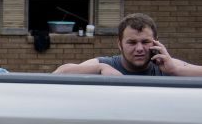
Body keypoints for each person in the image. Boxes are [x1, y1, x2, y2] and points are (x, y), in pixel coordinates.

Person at [53, 13, 202, 76]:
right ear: (120, 44)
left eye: (145, 42)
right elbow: (59, 73)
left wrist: (176, 71)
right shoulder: (106, 64)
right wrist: (100, 68)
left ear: (156, 42)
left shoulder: (167, 66)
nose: (139, 49)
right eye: (131, 42)